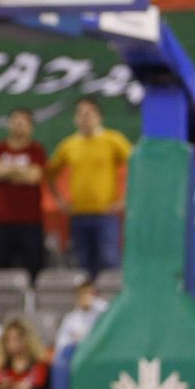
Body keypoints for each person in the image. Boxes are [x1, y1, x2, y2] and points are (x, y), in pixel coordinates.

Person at [47, 98, 131, 280]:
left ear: (99, 117)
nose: (85, 118)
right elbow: (50, 174)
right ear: (75, 119)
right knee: (82, 264)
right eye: (81, 114)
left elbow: (137, 167)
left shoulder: (113, 140)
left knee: (109, 260)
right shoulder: (69, 144)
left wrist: (125, 199)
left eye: (89, 113)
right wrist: (60, 200)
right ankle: (87, 306)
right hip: (78, 215)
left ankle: (112, 302)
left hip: (105, 214)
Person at [0, 108, 47, 279]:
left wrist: (5, 171)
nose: (19, 126)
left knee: (35, 270)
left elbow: (34, 176)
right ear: (9, 124)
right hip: (3, 222)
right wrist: (21, 171)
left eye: (23, 122)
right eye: (15, 121)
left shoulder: (36, 150)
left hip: (30, 222)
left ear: (31, 127)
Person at [54, 280, 109, 353]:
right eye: (82, 294)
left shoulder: (102, 312)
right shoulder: (70, 319)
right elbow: (60, 345)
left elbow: (110, 312)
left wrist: (95, 302)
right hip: (77, 355)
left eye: (89, 293)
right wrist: (75, 340)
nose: (86, 297)